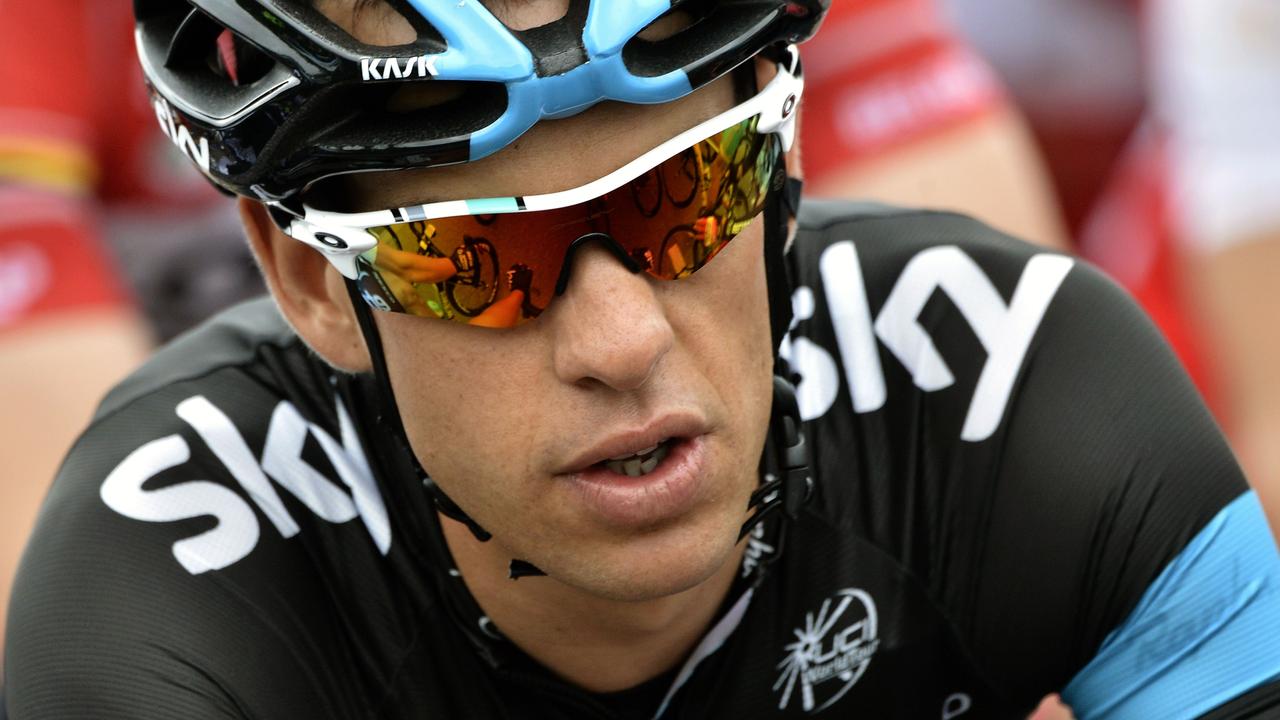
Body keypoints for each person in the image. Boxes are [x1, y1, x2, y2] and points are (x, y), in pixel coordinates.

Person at [5, 1, 1280, 718]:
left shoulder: (1016, 378)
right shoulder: (160, 576)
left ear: (779, 174)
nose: (624, 343)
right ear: (307, 285)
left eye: (688, 201)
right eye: (478, 261)